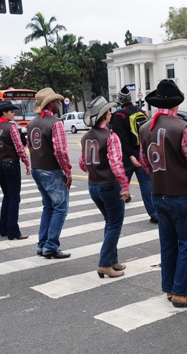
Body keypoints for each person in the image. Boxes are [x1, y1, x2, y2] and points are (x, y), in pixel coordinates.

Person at [139, 79, 187, 308]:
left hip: (158, 193)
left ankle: (170, 288)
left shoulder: (144, 128)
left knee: (168, 244)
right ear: (176, 104)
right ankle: (184, 293)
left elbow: (144, 162)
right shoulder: (183, 128)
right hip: (181, 194)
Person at [79, 96, 130, 278]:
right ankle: (104, 263)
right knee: (115, 224)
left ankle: (113, 259)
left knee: (110, 222)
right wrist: (124, 184)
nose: (110, 113)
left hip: (93, 185)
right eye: (109, 111)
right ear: (105, 115)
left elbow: (83, 164)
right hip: (109, 185)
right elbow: (116, 164)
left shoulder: (86, 137)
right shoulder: (111, 136)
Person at [27, 88, 72, 259]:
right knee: (60, 207)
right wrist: (67, 172)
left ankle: (42, 244)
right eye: (56, 101)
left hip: (37, 167)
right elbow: (60, 151)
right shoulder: (55, 123)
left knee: (48, 206)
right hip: (51, 170)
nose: (58, 104)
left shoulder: (31, 124)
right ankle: (51, 246)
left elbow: (30, 147)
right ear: (51, 103)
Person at [110, 86, 158, 223]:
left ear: (120, 100)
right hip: (142, 151)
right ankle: (153, 213)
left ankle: (114, 210)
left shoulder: (118, 116)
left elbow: (122, 138)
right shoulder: (141, 111)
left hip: (127, 154)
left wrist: (130, 155)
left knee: (120, 181)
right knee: (146, 182)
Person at [0, 101, 31, 240]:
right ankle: (13, 231)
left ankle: (4, 228)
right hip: (11, 164)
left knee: (7, 196)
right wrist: (27, 163)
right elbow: (19, 147)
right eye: (11, 111)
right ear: (4, 113)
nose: (13, 114)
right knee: (14, 197)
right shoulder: (11, 127)